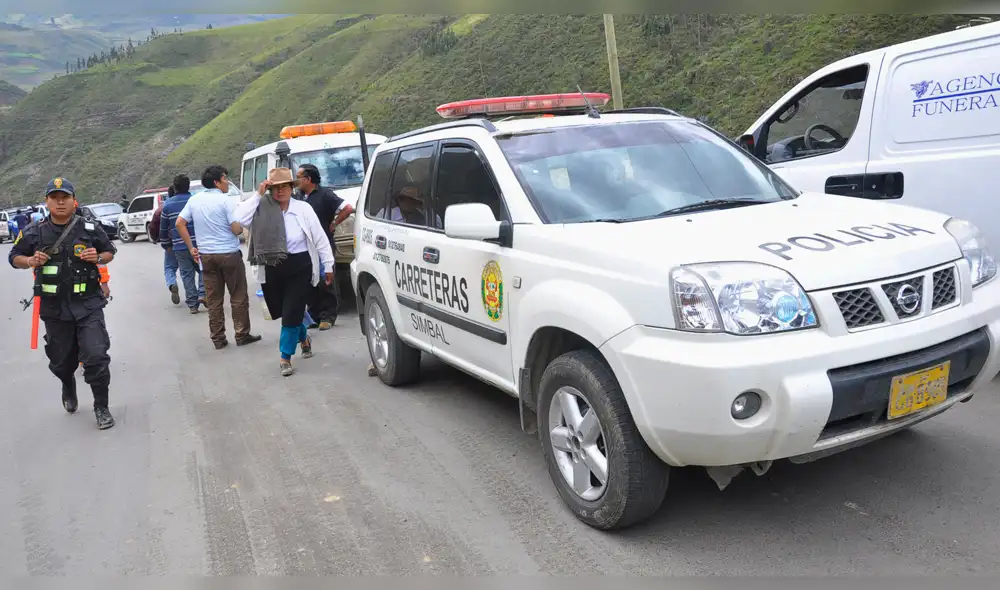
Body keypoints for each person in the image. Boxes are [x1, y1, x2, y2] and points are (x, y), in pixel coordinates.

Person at [8, 177, 117, 430]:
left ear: (72, 200)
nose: (59, 201)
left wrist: (98, 256)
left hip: (88, 304)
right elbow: (14, 257)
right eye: (54, 197)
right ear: (46, 201)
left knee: (96, 356)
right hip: (54, 309)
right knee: (61, 362)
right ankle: (67, 384)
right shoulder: (34, 232)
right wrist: (30, 261)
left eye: (64, 197)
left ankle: (101, 406)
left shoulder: (89, 228)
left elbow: (110, 251)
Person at [234, 167, 334, 376]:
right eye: (275, 188)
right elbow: (240, 219)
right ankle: (304, 338)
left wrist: (328, 264)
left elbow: (319, 237)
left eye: (284, 187)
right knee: (282, 310)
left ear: (291, 188)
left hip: (300, 265)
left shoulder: (303, 209)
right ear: (270, 189)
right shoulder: (261, 206)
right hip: (272, 266)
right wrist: (258, 194)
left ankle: (285, 357)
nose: (280, 192)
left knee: (291, 312)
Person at [176, 165, 261, 349]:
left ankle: (218, 338)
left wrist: (192, 247)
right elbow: (235, 228)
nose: (227, 182)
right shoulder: (225, 201)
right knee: (238, 295)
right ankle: (241, 334)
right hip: (229, 254)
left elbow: (180, 223)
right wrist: (242, 226)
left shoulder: (194, 201)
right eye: (224, 179)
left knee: (214, 299)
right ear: (216, 182)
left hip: (206, 256)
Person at [294, 163, 353, 330]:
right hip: (304, 247)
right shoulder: (298, 197)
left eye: (299, 177)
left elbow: (347, 208)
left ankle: (328, 315)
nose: (296, 181)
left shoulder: (325, 194)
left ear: (308, 179)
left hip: (322, 245)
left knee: (325, 280)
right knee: (309, 281)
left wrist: (334, 223)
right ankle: (314, 314)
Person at [160, 174, 205, 313]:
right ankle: (203, 294)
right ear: (188, 186)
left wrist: (166, 244)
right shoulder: (195, 201)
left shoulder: (167, 205)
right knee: (204, 269)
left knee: (187, 274)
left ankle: (192, 304)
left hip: (179, 245)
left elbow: (163, 227)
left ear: (175, 187)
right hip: (198, 243)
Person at [152, 186, 181, 305]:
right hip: (188, 242)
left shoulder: (162, 209)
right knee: (191, 268)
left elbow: (154, 226)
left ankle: (172, 284)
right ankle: (199, 293)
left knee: (169, 267)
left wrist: (155, 238)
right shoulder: (188, 204)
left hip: (170, 243)